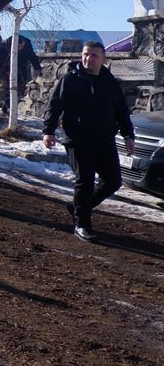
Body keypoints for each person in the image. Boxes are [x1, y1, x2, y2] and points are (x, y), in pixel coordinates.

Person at [42, 41, 135, 243]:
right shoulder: (70, 79)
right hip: (77, 138)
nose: (88, 59)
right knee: (84, 180)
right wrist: (48, 131)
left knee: (112, 182)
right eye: (85, 54)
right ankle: (82, 224)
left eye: (93, 55)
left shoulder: (110, 83)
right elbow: (54, 105)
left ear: (103, 59)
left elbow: (121, 111)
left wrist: (129, 135)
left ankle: (79, 207)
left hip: (104, 138)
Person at [0, 35, 42, 112]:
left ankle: (9, 105)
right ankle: (7, 106)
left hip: (20, 70)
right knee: (6, 88)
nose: (20, 49)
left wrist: (37, 67)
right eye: (18, 47)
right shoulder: (5, 45)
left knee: (20, 89)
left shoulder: (27, 43)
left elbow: (32, 56)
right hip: (5, 70)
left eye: (21, 47)